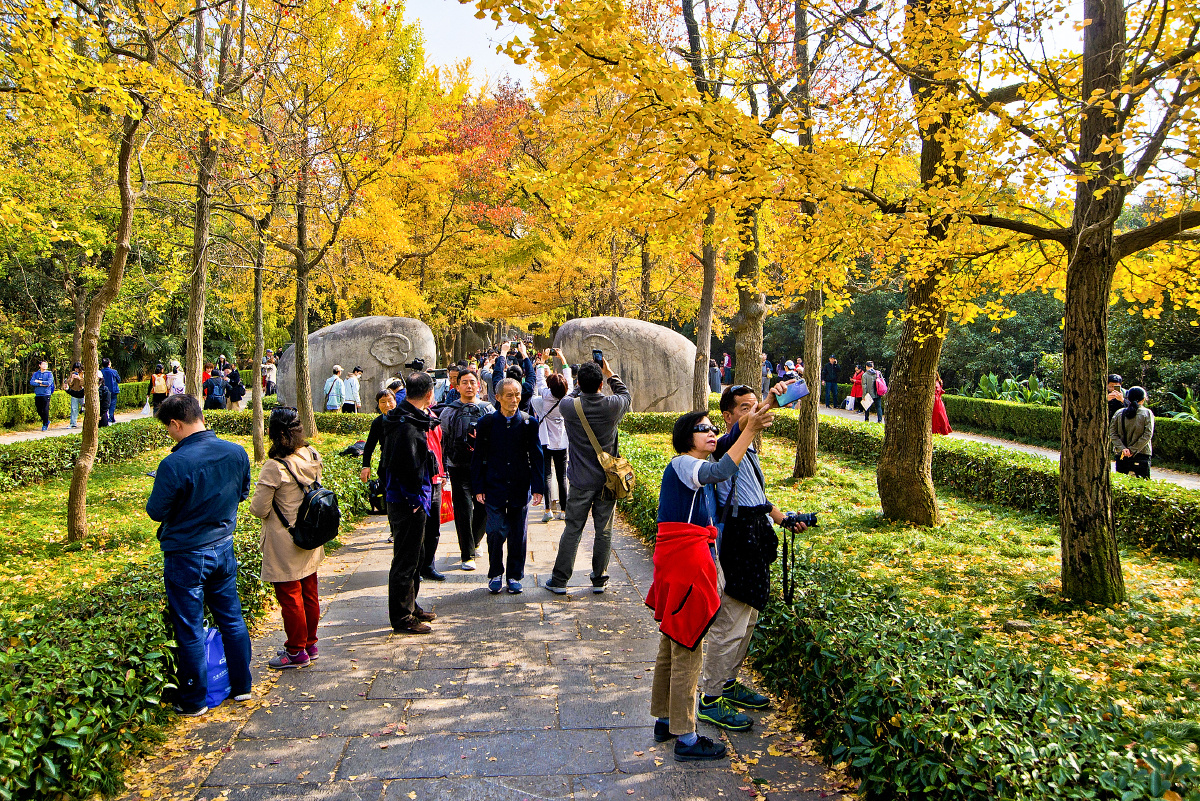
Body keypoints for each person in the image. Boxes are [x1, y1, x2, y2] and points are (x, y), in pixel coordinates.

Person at [646, 404, 772, 761]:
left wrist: (765, 408)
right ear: (688, 438)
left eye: (713, 426)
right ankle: (686, 739)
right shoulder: (685, 464)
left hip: (680, 558)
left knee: (673, 642)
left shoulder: (690, 463)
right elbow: (721, 469)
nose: (711, 431)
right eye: (703, 428)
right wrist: (748, 432)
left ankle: (666, 719)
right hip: (686, 561)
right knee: (688, 645)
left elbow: (729, 441)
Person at [698, 384, 806, 732]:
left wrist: (784, 518)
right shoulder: (725, 446)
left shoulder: (750, 447)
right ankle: (710, 699)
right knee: (730, 621)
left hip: (756, 533)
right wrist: (770, 401)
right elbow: (735, 442)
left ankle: (728, 683)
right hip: (737, 540)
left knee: (749, 618)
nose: (753, 412)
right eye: (744, 408)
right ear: (727, 417)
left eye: (755, 406)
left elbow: (756, 495)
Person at [145, 394, 253, 716]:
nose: (170, 434)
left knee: (189, 628)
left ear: (176, 424)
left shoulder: (174, 464)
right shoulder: (236, 452)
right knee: (231, 617)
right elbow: (243, 492)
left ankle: (194, 702)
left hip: (186, 555)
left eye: (169, 428)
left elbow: (155, 511)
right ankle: (242, 686)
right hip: (223, 546)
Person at [544, 359, 632, 594]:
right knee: (603, 530)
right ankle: (599, 579)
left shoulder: (569, 407)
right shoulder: (613, 405)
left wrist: (578, 384)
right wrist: (611, 372)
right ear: (602, 384)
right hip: (607, 480)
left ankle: (560, 580)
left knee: (573, 529)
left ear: (579, 383)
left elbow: (570, 396)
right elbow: (625, 393)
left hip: (580, 481)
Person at [249, 408, 325, 669]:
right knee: (310, 593)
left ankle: (295, 651)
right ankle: (310, 644)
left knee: (291, 597)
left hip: (284, 541)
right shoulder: (311, 454)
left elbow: (259, 508)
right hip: (310, 533)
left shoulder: (275, 466)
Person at [471, 377, 545, 594]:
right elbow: (478, 457)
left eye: (518, 395)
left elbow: (537, 456)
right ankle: (495, 573)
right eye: (509, 395)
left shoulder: (529, 422)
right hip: (493, 486)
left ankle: (514, 575)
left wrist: (538, 487)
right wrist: (478, 487)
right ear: (498, 398)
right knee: (494, 532)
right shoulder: (487, 423)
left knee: (517, 534)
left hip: (519, 487)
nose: (515, 400)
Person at [380, 371, 440, 634]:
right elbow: (405, 466)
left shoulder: (406, 416)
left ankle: (411, 605)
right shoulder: (406, 424)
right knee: (405, 559)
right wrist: (414, 500)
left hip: (415, 497)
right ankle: (402, 618)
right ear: (428, 394)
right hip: (407, 501)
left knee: (416, 555)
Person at [438, 369, 494, 570]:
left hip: (484, 468)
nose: (469, 386)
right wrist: (442, 469)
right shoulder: (449, 411)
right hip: (458, 466)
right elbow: (443, 441)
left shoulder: (488, 409)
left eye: (472, 382)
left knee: (484, 508)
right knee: (462, 510)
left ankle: (475, 540)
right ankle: (466, 554)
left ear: (479, 385)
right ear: (457, 386)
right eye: (464, 382)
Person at [532, 372, 570, 523]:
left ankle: (547, 510)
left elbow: (540, 381)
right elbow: (570, 384)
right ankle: (564, 511)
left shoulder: (546, 396)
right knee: (561, 477)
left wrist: (541, 363)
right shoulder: (567, 398)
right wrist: (564, 362)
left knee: (546, 475)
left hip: (545, 440)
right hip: (561, 441)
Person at [419, 392, 447, 583]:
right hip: (420, 481)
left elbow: (439, 446)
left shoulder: (433, 416)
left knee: (434, 527)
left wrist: (443, 472)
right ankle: (417, 566)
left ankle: (429, 565)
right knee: (418, 528)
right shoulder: (409, 419)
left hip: (436, 478)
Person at [362, 389, 397, 540]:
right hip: (386, 466)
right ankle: (394, 531)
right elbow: (369, 446)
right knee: (391, 498)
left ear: (395, 401)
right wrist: (365, 466)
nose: (387, 405)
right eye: (383, 402)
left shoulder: (403, 418)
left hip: (405, 464)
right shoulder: (378, 422)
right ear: (378, 405)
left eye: (390, 401)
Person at [1110, 386, 1154, 479]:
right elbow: (1147, 435)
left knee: (1122, 484)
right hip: (1142, 454)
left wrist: (1123, 448)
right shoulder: (1147, 413)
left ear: (1127, 398)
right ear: (1143, 399)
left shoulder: (1119, 413)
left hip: (1121, 455)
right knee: (1142, 485)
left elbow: (1113, 433)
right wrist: (1133, 449)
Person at [29, 360, 55, 431]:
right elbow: (31, 382)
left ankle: (45, 424)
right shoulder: (36, 374)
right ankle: (46, 420)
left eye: (46, 365)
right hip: (38, 394)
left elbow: (49, 383)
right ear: (39, 365)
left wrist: (39, 382)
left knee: (45, 409)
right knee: (39, 409)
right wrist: (40, 384)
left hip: (46, 394)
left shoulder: (49, 373)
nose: (45, 366)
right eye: (43, 364)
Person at [100, 358, 121, 424]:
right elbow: (119, 380)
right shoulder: (114, 371)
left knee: (105, 404)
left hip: (104, 390)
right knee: (112, 404)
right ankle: (111, 417)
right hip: (113, 390)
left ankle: (107, 417)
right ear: (109, 363)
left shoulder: (101, 372)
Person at [66, 362, 85, 427]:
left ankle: (87, 422)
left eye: (77, 369)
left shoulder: (83, 374)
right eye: (75, 369)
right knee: (74, 409)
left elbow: (85, 383)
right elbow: (69, 384)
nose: (76, 370)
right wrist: (72, 378)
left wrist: (79, 378)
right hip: (74, 393)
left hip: (82, 393)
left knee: (85, 409)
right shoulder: (72, 374)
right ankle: (73, 423)